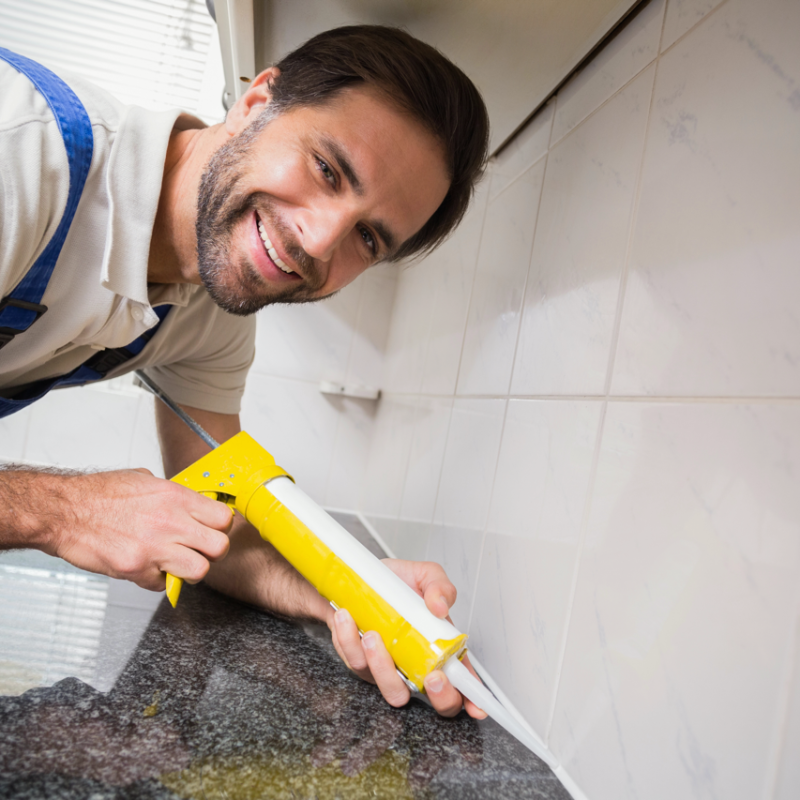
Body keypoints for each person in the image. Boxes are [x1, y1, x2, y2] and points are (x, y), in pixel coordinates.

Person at [0, 26, 489, 717]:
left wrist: (349, 591)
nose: (318, 242)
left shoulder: (212, 314)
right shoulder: (18, 157)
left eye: (368, 236)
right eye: (327, 169)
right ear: (258, 101)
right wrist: (64, 511)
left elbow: (215, 518)